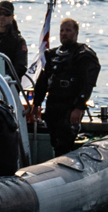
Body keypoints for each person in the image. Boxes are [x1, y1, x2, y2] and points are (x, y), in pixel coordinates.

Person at [35, 18, 101, 156]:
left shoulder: (84, 55)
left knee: (65, 142)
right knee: (55, 142)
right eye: (61, 30)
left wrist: (79, 107)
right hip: (53, 105)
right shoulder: (52, 55)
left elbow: (87, 84)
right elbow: (43, 81)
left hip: (70, 107)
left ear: (76, 33)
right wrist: (36, 103)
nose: (64, 33)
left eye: (68, 30)